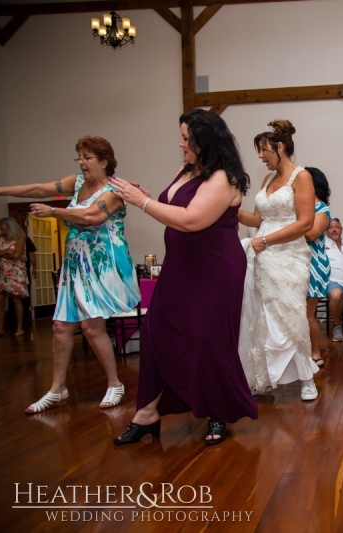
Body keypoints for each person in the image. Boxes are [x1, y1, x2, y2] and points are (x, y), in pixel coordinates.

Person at [110, 109, 257, 445]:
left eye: (185, 137)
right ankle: (147, 413)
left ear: (205, 139)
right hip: (181, 266)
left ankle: (218, 410)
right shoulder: (188, 168)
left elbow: (192, 220)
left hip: (215, 268)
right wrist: (144, 195)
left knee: (208, 338)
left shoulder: (224, 177)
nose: (180, 143)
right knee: (154, 330)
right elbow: (173, 206)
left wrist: (142, 202)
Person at [0, 136, 139, 413]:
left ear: (104, 161)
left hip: (101, 263)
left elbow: (91, 217)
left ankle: (114, 383)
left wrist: (53, 211)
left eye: (87, 157)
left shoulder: (115, 189)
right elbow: (39, 188)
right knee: (60, 327)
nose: (82, 163)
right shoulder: (77, 183)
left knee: (91, 327)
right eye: (79, 158)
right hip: (75, 264)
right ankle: (57, 389)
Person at [237, 119, 320, 402]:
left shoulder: (302, 177)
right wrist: (230, 208)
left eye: (263, 150)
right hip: (261, 252)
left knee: (291, 313)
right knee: (262, 314)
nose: (260, 157)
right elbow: (257, 219)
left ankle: (307, 378)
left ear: (280, 147)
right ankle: (264, 375)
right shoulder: (267, 180)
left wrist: (266, 241)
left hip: (288, 253)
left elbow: (306, 222)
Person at [303, 167, 331, 368]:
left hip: (314, 263)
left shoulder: (322, 210)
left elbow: (311, 234)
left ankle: (314, 352)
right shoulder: (301, 207)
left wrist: (290, 227)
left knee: (307, 313)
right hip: (298, 260)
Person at [0, 217, 29, 337]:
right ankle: (1, 328)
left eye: (1, 225)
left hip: (16, 272)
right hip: (1, 272)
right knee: (0, 300)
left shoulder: (20, 238)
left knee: (16, 300)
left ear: (8, 226)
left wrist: (1, 253)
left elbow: (16, 254)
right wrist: (7, 251)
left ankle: (20, 328)